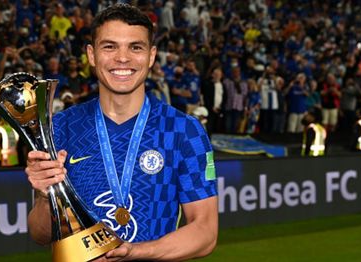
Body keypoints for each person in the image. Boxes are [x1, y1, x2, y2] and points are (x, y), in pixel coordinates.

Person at [25, 4, 217, 261]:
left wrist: (136, 252)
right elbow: (40, 234)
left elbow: (205, 232)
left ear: (151, 56)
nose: (122, 58)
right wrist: (45, 197)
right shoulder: (60, 128)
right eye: (110, 46)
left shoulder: (183, 130)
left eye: (135, 47)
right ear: (92, 55)